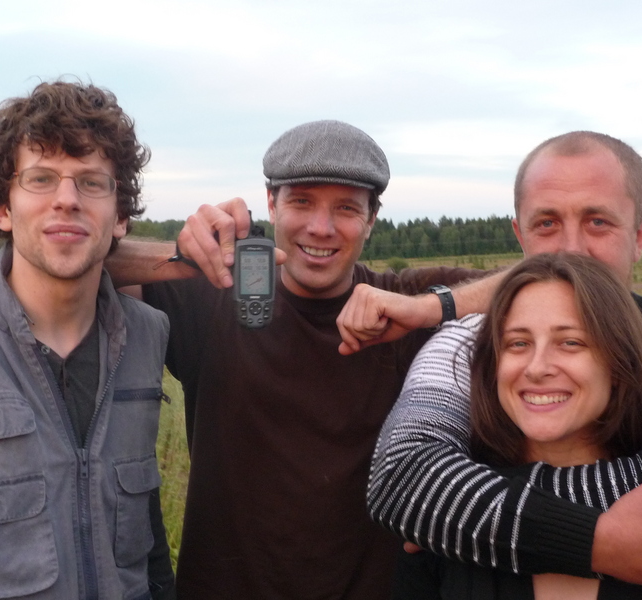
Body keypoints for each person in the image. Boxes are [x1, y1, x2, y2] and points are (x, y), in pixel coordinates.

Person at [105, 120, 495, 599]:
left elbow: (554, 281)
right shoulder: (216, 298)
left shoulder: (402, 303)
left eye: (347, 208)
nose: (321, 227)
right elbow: (67, 258)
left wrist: (430, 309)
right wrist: (185, 256)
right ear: (271, 204)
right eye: (302, 201)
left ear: (373, 218)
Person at [341, 131, 642, 588]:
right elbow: (402, 474)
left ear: (641, 235)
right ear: (520, 233)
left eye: (598, 222)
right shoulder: (466, 340)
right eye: (547, 224)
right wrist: (596, 540)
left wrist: (454, 512)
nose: (571, 248)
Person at [0, 81, 175, 599]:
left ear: (120, 216)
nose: (67, 200)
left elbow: (147, 550)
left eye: (92, 183)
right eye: (41, 178)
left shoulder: (146, 338)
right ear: (3, 209)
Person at [394, 252, 642, 599]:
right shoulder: (442, 524)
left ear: (619, 367)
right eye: (518, 343)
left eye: (570, 342)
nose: (536, 367)